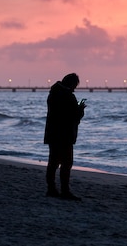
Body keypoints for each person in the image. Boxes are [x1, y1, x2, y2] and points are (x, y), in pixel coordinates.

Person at [44, 72, 86, 200]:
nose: (75, 89)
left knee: (53, 163)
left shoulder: (53, 93)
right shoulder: (68, 96)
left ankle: (51, 189)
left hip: (52, 133)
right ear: (71, 84)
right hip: (65, 135)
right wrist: (81, 109)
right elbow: (73, 116)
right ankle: (65, 191)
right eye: (75, 86)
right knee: (67, 163)